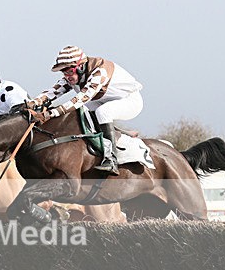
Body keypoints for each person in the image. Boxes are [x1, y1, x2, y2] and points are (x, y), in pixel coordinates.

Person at [27, 46, 143, 175]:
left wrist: (50, 113)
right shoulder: (72, 75)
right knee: (87, 112)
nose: (67, 76)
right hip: (104, 101)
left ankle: (111, 160)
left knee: (102, 112)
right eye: (63, 72)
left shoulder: (100, 73)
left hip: (130, 101)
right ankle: (116, 134)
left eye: (69, 71)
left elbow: (79, 100)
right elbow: (52, 92)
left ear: (80, 66)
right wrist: (31, 103)